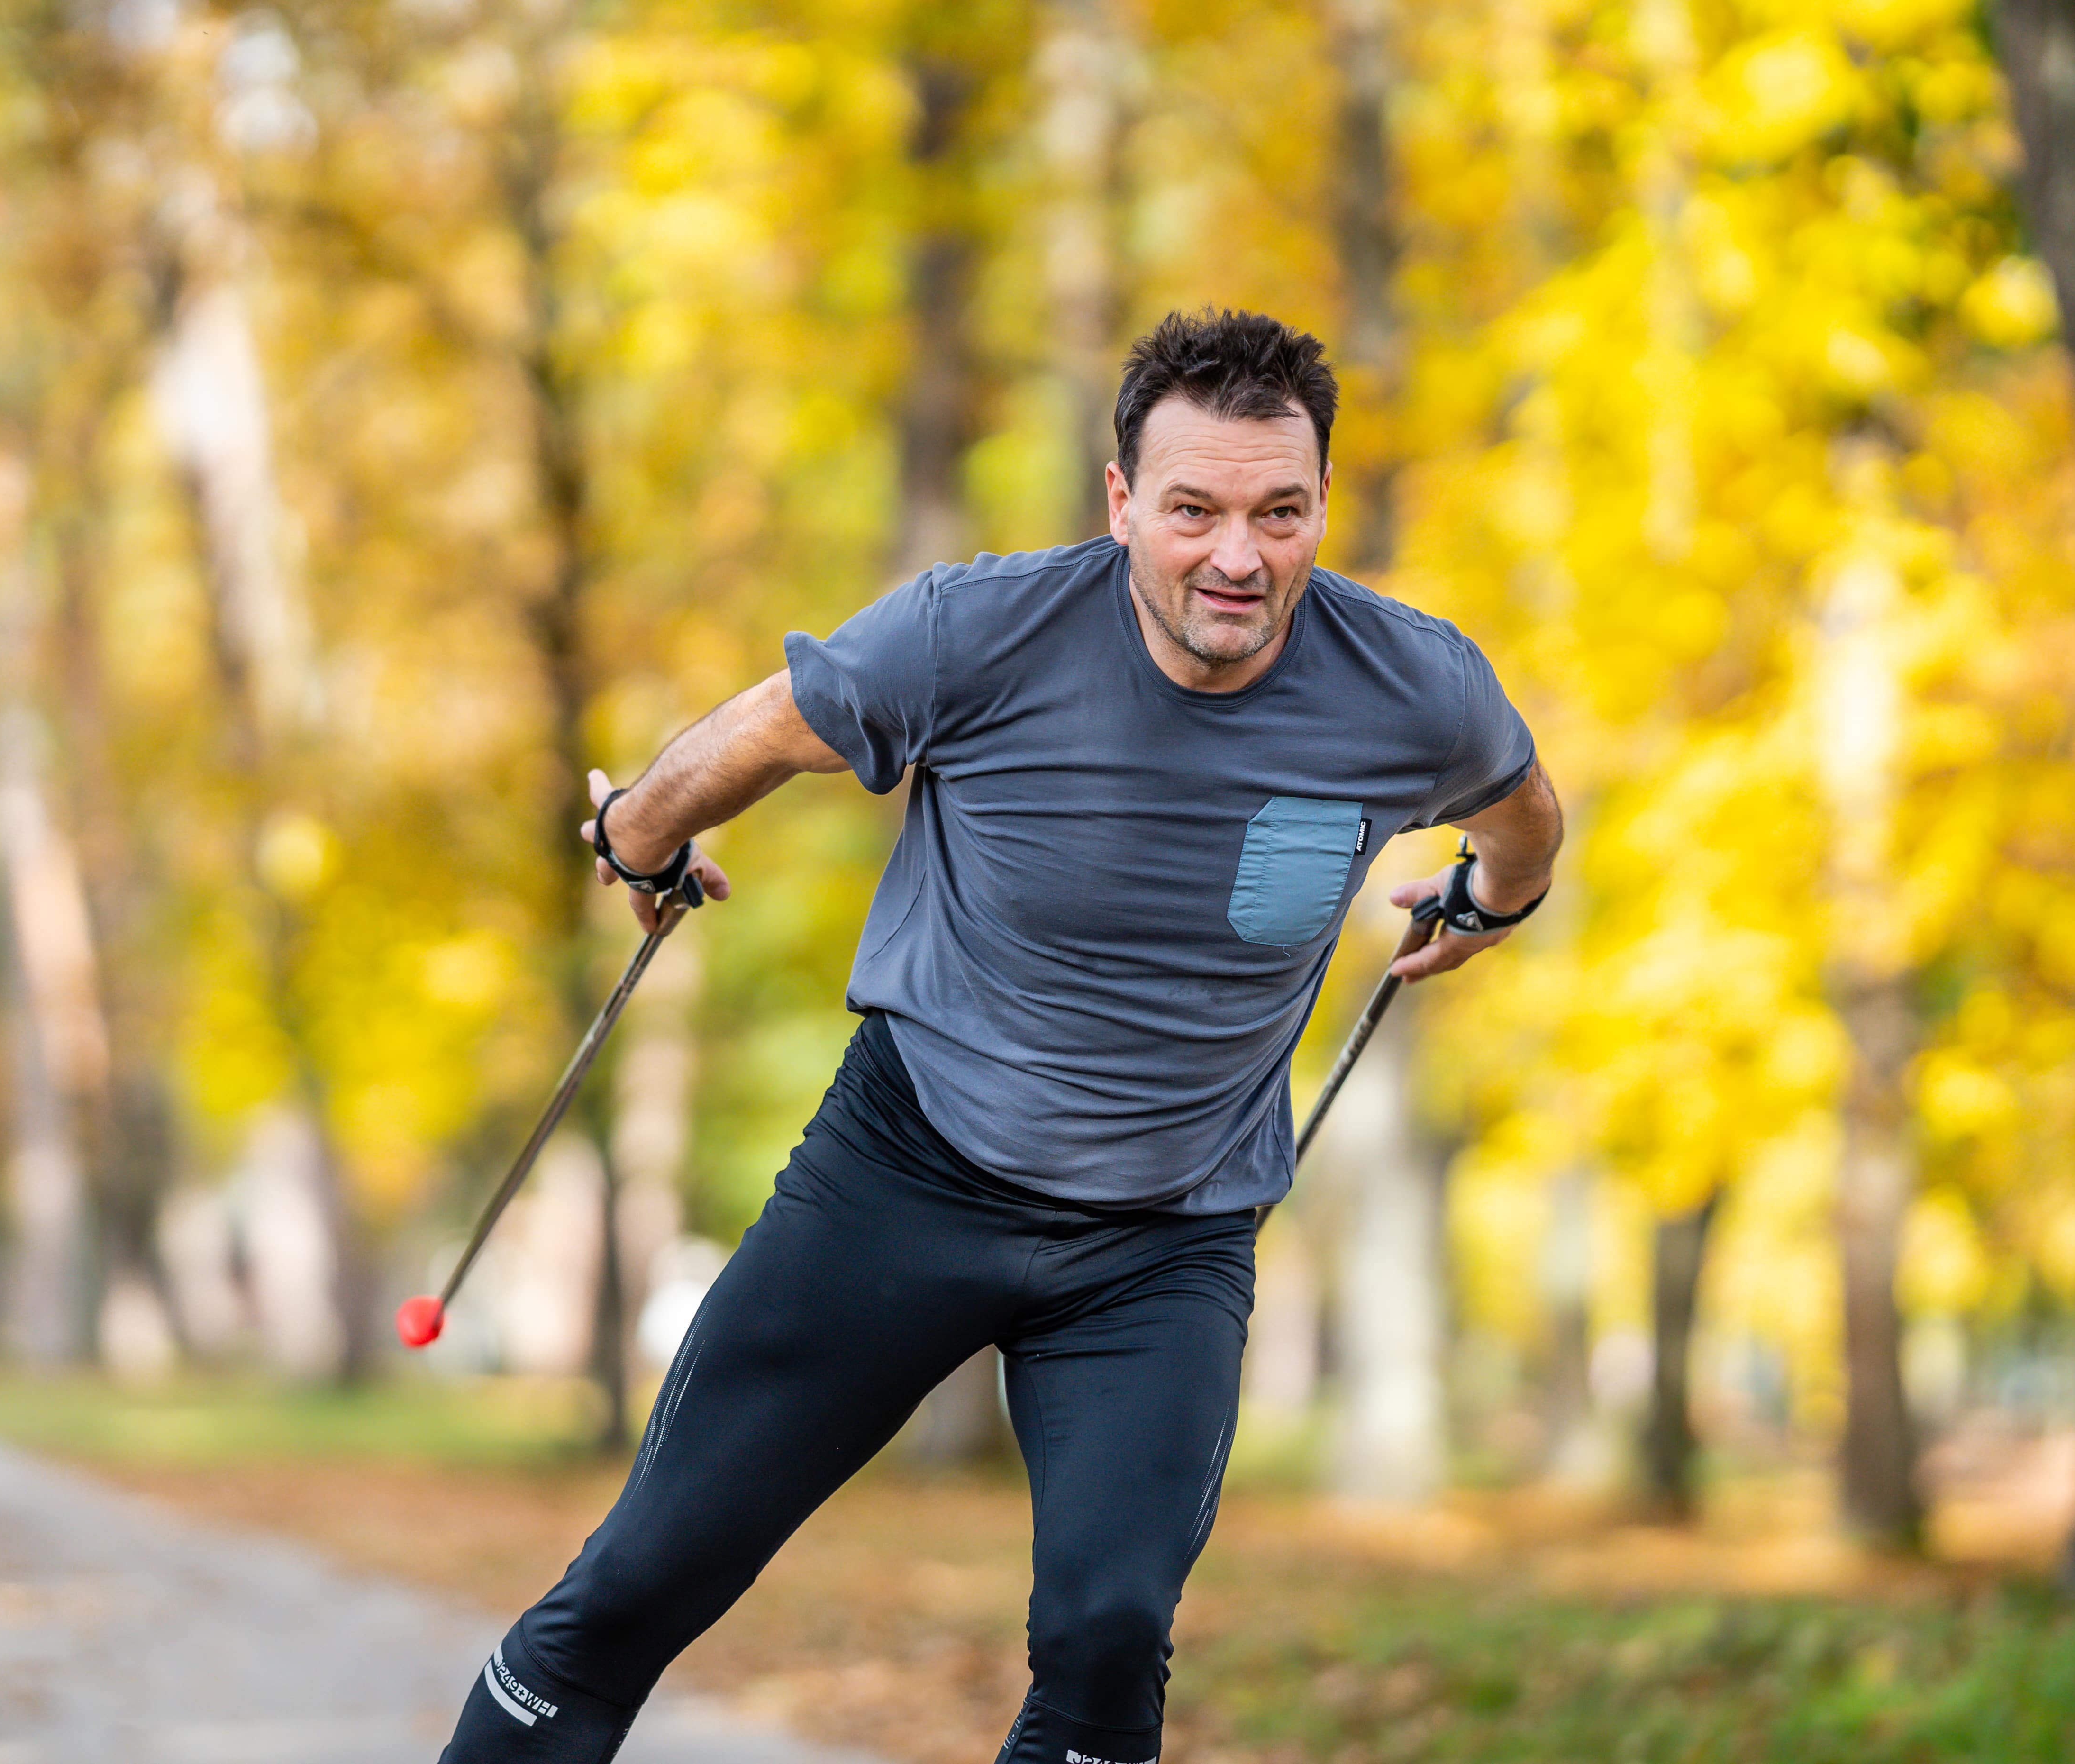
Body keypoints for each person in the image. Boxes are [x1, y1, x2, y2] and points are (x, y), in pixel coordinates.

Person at [437, 308, 1563, 1764]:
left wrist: (1493, 900)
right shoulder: (982, 630)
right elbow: (771, 728)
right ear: (1120, 503)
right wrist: (643, 837)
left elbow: (1524, 803)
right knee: (640, 1584)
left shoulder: (1408, 685)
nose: (1240, 557)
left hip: (1166, 1241)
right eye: (1195, 511)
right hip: (903, 1183)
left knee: (1108, 1643)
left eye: (1281, 512)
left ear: (1322, 505)